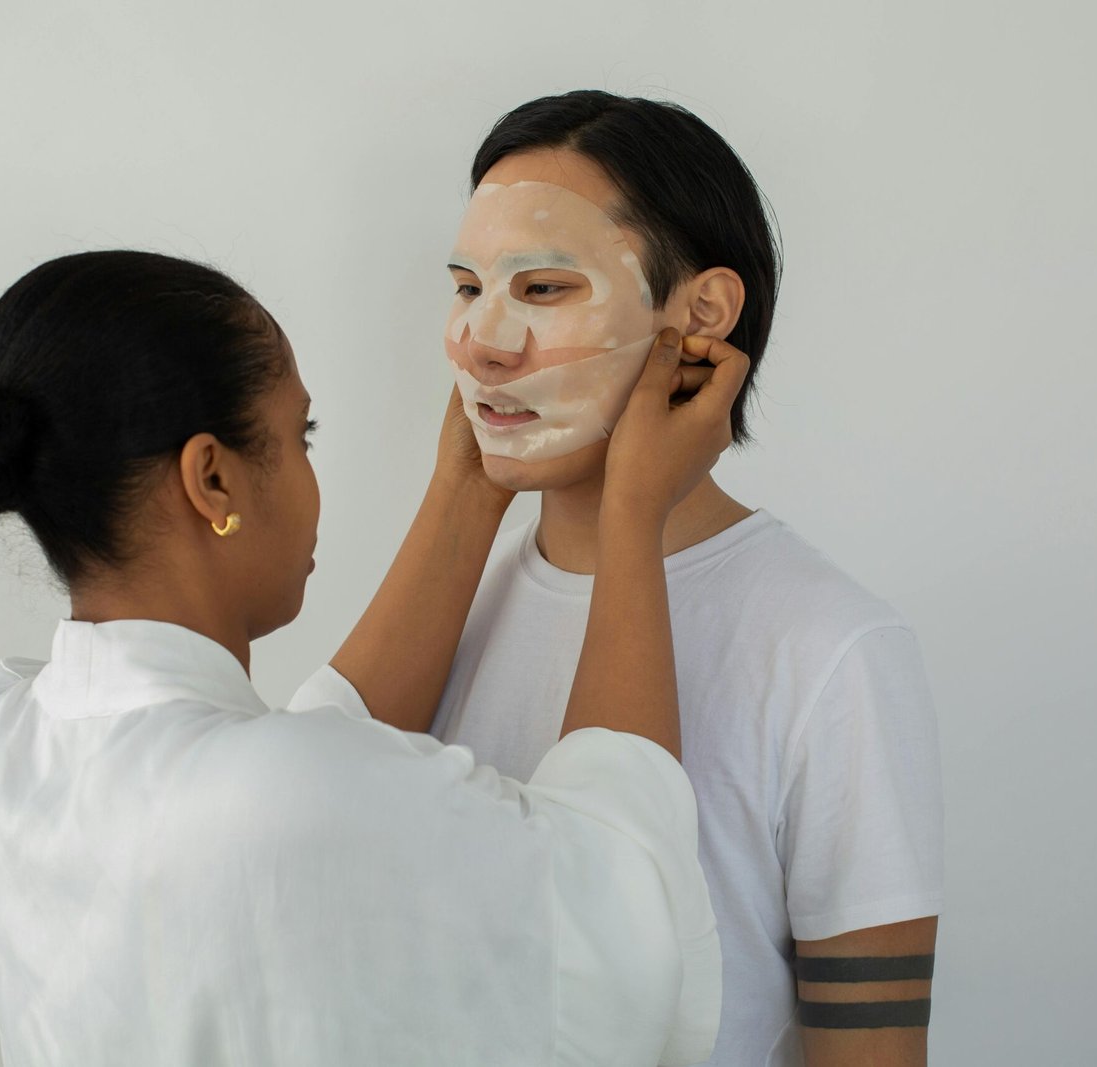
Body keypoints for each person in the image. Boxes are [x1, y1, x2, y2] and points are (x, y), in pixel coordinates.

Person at [0, 249, 746, 1066]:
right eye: (299, 433)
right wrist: (633, 513)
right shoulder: (277, 793)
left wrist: (473, 482)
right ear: (212, 481)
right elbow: (623, 922)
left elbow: (293, 780)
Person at [402, 91, 946, 1066]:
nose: (481, 340)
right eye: (463, 285)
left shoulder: (832, 648)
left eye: (542, 289)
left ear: (700, 316)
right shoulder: (450, 615)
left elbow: (871, 1052)